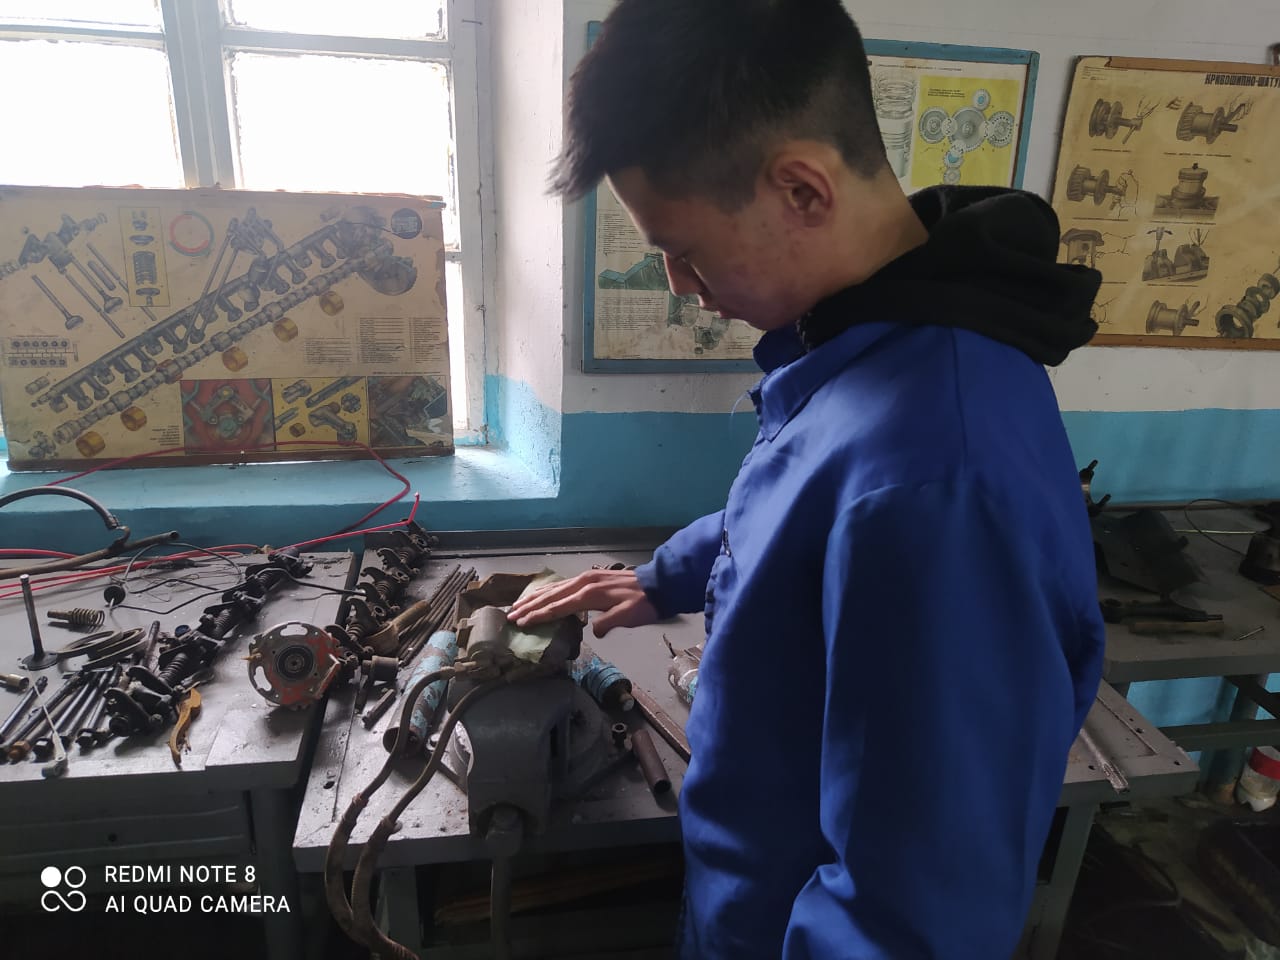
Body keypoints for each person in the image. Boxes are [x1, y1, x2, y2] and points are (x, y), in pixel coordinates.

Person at [508, 0, 1106, 956]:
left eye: (684, 251)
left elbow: (914, 916)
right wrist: (667, 574)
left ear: (801, 189)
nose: (680, 286)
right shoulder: (872, 340)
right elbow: (800, 499)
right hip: (744, 889)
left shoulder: (937, 479)